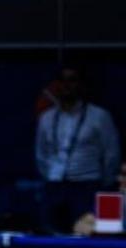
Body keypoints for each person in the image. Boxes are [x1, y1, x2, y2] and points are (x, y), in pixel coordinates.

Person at [35, 66, 120, 233]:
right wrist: (51, 177)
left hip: (86, 185)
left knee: (84, 233)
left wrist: (102, 183)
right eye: (62, 80)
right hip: (55, 185)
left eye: (72, 80)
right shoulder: (47, 117)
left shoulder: (99, 116)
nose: (66, 85)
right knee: (50, 233)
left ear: (81, 84)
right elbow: (41, 154)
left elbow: (111, 154)